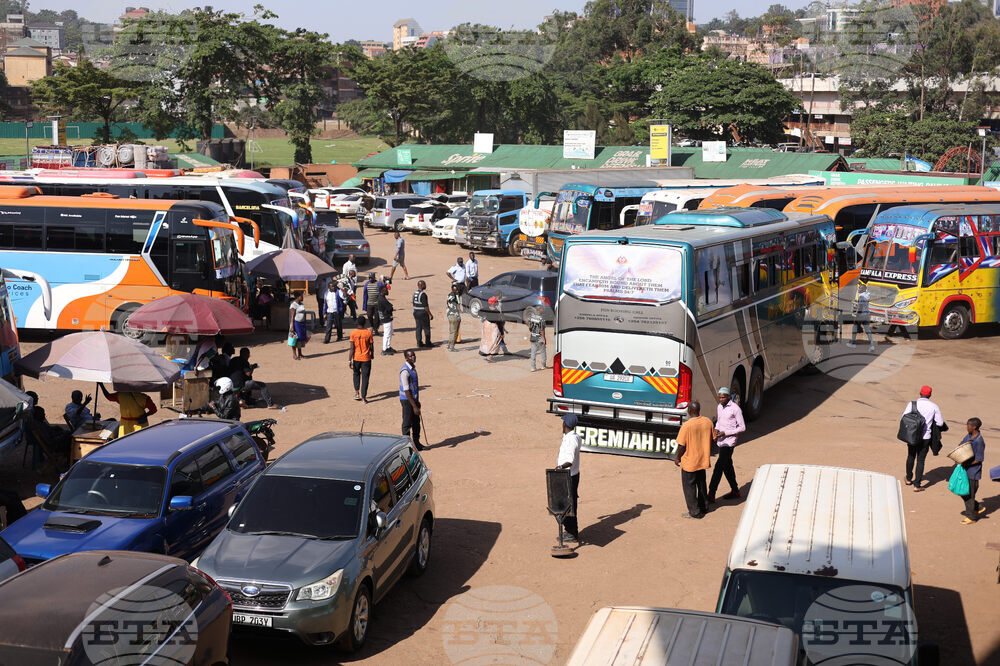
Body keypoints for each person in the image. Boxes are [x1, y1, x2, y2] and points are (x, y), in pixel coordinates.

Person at [675, 401, 714, 519]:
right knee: (701, 484)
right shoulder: (708, 422)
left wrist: (677, 458)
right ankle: (704, 507)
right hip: (702, 460)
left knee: (689, 488)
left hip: (690, 462)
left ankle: (694, 512)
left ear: (690, 411)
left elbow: (682, 445)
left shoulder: (687, 425)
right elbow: (713, 438)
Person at [902, 385, 945, 491]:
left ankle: (908, 479)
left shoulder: (912, 404)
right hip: (926, 437)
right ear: (930, 395)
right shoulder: (934, 406)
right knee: (921, 460)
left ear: (920, 393)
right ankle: (917, 485)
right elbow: (940, 423)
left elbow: (903, 417)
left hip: (912, 435)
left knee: (911, 456)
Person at [709, 387, 745, 503]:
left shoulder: (736, 409)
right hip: (721, 440)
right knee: (727, 466)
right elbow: (719, 421)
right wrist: (716, 430)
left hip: (729, 443)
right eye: (719, 397)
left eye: (723, 397)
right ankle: (735, 491)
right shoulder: (719, 407)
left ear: (729, 397)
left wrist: (726, 433)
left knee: (719, 467)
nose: (721, 399)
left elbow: (742, 427)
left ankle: (711, 493)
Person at [555, 414, 582, 543]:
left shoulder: (572, 440)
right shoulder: (572, 436)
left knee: (567, 506)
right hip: (571, 476)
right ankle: (570, 531)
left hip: (568, 477)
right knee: (568, 505)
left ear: (565, 424)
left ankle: (572, 533)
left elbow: (570, 460)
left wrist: (560, 466)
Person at [958, 417, 986, 524]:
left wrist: (966, 463)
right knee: (962, 491)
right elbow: (962, 444)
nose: (967, 427)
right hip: (965, 470)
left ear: (974, 427)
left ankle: (971, 517)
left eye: (968, 425)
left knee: (969, 495)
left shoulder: (979, 441)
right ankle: (978, 507)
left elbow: (979, 459)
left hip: (973, 473)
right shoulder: (969, 436)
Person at [399, 350, 423, 450]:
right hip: (407, 400)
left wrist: (417, 401)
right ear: (406, 358)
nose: (413, 357)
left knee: (416, 422)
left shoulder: (413, 368)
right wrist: (414, 406)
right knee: (407, 423)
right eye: (410, 356)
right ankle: (407, 446)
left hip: (413, 399)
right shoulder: (405, 372)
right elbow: (407, 390)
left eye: (414, 355)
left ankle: (416, 443)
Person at [349, 315, 374, 402]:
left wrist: (349, 360)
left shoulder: (353, 333)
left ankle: (357, 393)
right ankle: (364, 397)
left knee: (356, 374)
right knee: (365, 377)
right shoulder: (368, 333)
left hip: (356, 358)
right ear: (365, 323)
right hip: (366, 358)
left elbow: (352, 348)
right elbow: (371, 346)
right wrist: (372, 355)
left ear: (357, 323)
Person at [846, 283, 875, 352]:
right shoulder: (867, 295)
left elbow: (860, 307)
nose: (858, 289)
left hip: (861, 315)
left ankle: (852, 343)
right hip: (867, 314)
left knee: (854, 328)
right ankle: (872, 346)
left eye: (860, 288)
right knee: (868, 330)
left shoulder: (861, 297)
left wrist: (857, 314)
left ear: (862, 290)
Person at [412, 279, 433, 348]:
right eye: (424, 284)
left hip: (416, 312)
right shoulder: (423, 294)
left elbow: (413, 302)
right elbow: (425, 306)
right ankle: (428, 343)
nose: (425, 285)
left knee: (418, 328)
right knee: (426, 328)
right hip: (422, 313)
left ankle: (419, 342)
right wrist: (430, 314)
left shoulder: (415, 293)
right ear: (421, 285)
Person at [288, 291, 308, 360]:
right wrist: (292, 326)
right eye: (301, 296)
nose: (303, 297)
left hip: (302, 323)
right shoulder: (293, 305)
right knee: (295, 338)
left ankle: (300, 353)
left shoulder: (301, 304)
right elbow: (292, 317)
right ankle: (294, 354)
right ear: (298, 297)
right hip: (296, 323)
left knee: (301, 339)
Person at [378, 285, 397, 355]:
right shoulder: (382, 299)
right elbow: (390, 308)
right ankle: (384, 349)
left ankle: (388, 347)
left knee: (390, 332)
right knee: (387, 334)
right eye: (386, 289)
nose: (387, 290)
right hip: (386, 319)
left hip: (387, 318)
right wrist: (391, 308)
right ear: (382, 291)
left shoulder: (382, 298)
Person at [446, 283, 462, 351]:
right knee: (455, 332)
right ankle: (452, 346)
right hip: (455, 316)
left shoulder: (449, 295)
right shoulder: (457, 296)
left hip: (449, 315)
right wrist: (459, 316)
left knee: (451, 331)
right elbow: (458, 305)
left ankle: (449, 344)